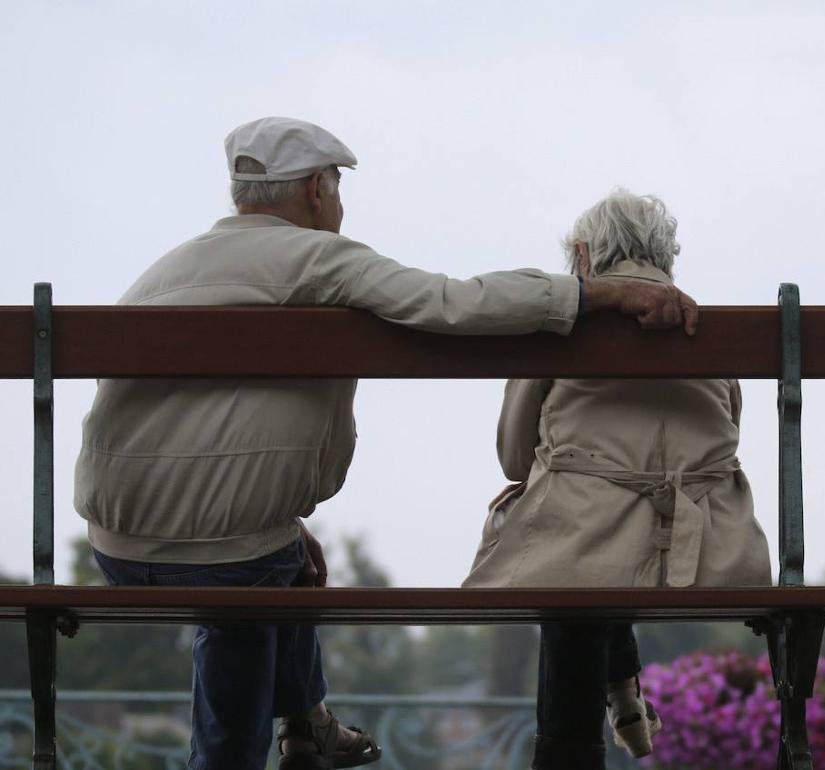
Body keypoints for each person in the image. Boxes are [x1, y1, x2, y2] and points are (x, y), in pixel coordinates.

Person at [74, 118, 699, 770]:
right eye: (337, 188)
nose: (340, 205)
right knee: (247, 604)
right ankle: (284, 734)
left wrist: (274, 527)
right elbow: (455, 303)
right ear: (317, 189)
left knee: (283, 563)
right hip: (228, 556)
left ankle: (307, 727)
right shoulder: (317, 258)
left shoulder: (164, 270)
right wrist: (596, 294)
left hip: (113, 547)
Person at [463, 189, 771, 770]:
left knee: (580, 559)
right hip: (704, 559)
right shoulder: (715, 335)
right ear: (666, 257)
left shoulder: (557, 332)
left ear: (583, 258)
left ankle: (570, 750)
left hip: (583, 557)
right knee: (611, 541)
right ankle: (623, 688)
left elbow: (512, 457)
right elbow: (725, 438)